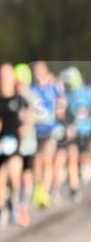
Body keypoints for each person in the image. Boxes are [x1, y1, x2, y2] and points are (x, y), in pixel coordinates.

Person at [0, 64, 27, 230]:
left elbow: (30, 116)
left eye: (7, 75)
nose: (4, 79)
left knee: (14, 173)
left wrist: (26, 126)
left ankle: (13, 199)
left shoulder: (19, 99)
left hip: (14, 144)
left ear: (12, 78)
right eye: (1, 75)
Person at [30, 61, 66, 208]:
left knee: (46, 160)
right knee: (37, 161)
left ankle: (45, 192)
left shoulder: (54, 88)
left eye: (41, 70)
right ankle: (39, 188)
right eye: (36, 70)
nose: (38, 73)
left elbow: (62, 106)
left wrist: (59, 110)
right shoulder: (31, 89)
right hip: (36, 131)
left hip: (51, 130)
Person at [61, 66, 91, 202]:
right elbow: (61, 113)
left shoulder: (87, 92)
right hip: (72, 134)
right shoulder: (65, 95)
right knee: (72, 158)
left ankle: (83, 169)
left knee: (83, 157)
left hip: (86, 132)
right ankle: (74, 188)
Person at [14, 63, 38, 225]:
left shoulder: (31, 96)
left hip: (28, 142)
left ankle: (23, 206)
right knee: (13, 175)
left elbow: (36, 115)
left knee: (26, 175)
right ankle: (14, 204)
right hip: (12, 143)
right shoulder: (10, 95)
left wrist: (27, 124)